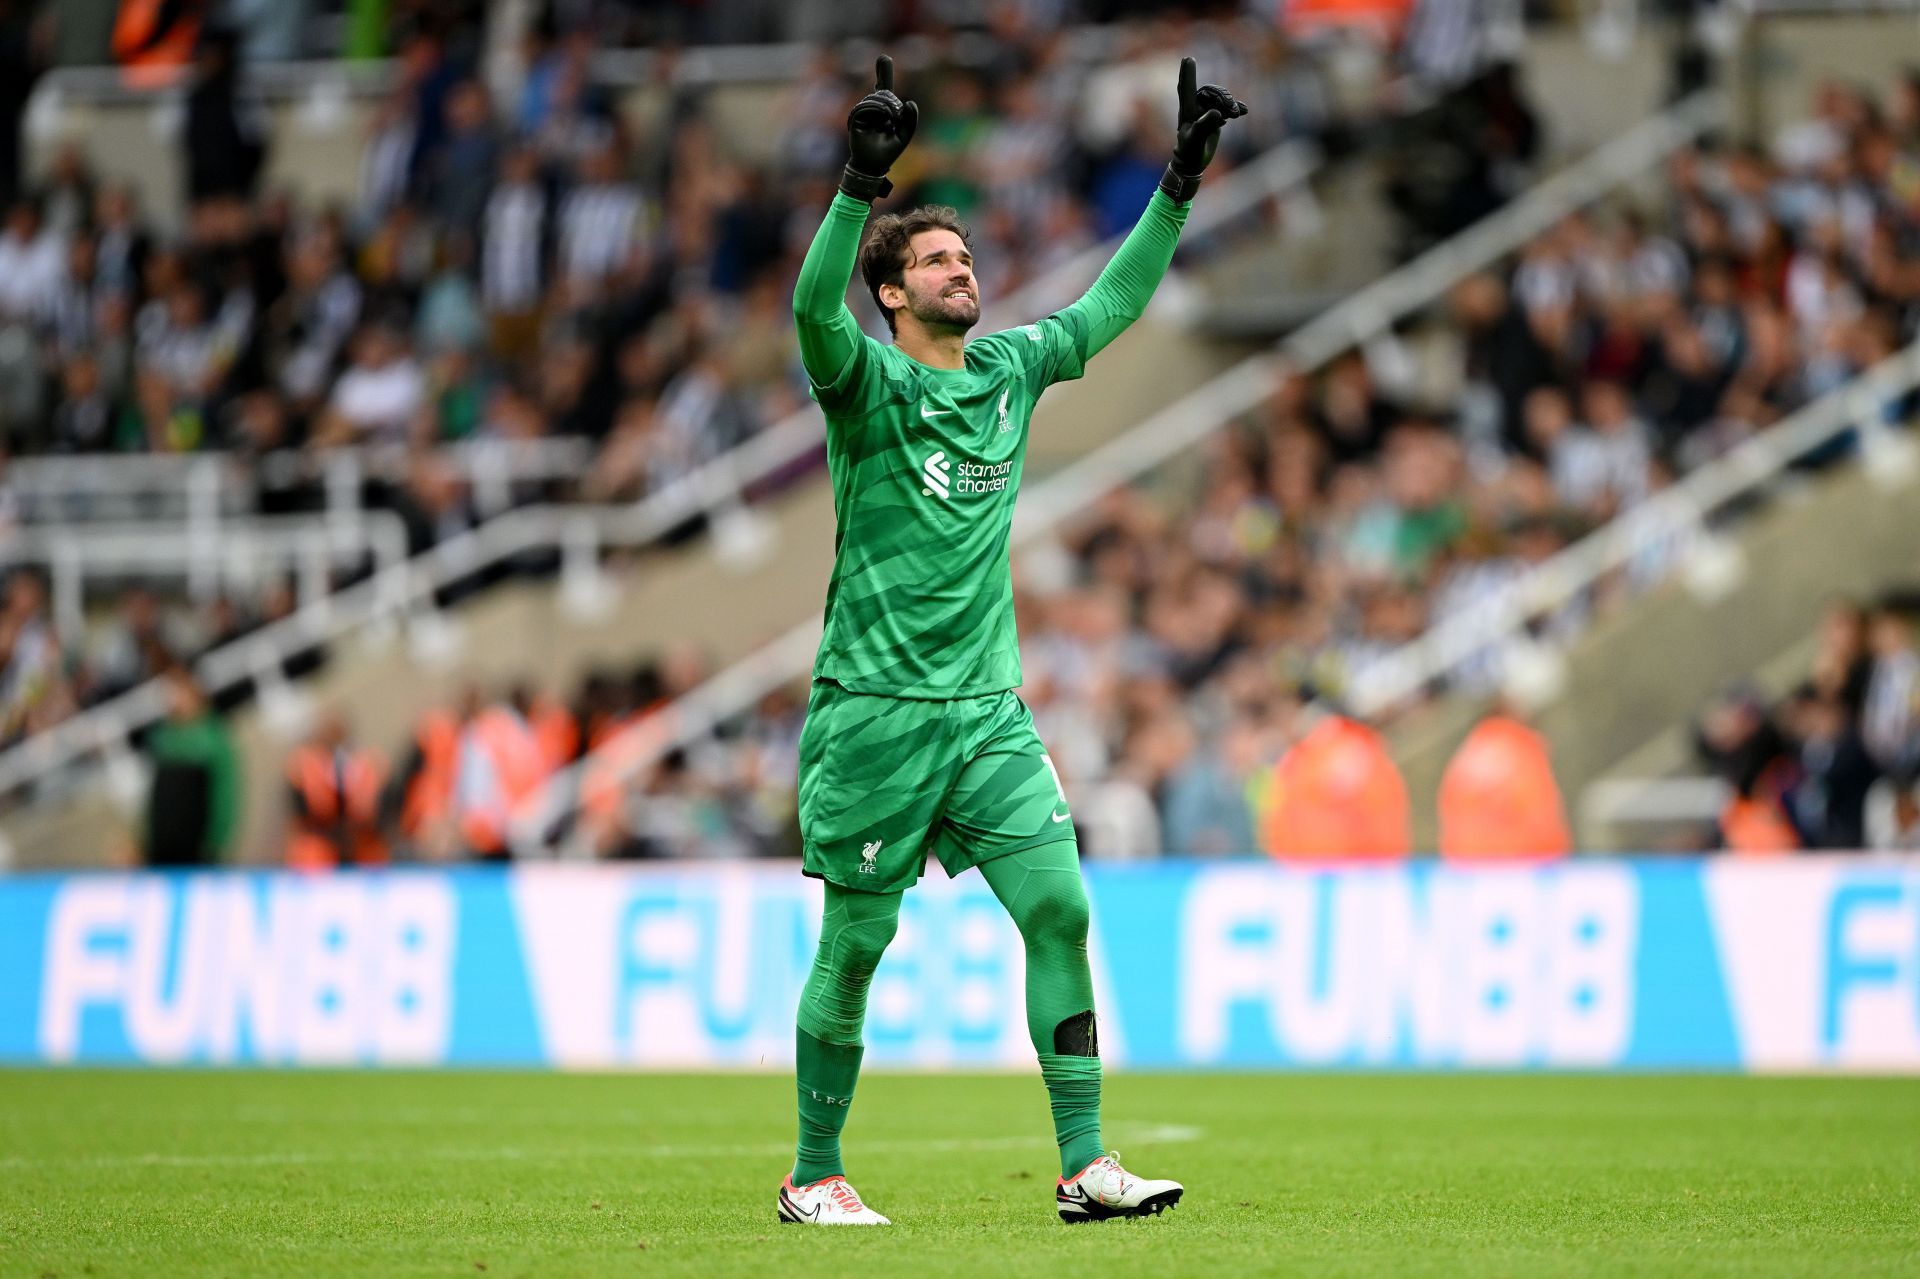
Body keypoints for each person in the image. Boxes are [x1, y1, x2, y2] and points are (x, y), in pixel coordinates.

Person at [777, 56, 1245, 1228]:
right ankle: (812, 1174)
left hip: (986, 709)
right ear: (892, 294)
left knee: (1062, 908)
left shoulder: (1007, 368)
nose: (961, 269)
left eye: (966, 257)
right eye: (935, 260)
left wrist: (1179, 180)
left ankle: (1087, 1164)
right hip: (877, 710)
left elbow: (1111, 307)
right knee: (856, 947)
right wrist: (856, 189)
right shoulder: (867, 388)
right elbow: (804, 312)